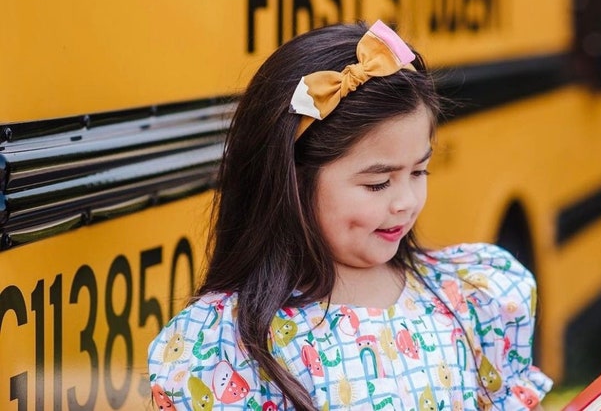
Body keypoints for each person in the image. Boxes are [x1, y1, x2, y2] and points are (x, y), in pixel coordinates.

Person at [148, 20, 552, 410]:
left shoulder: (469, 299)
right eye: (378, 183)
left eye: (419, 171)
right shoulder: (228, 346)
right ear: (292, 180)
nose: (406, 201)